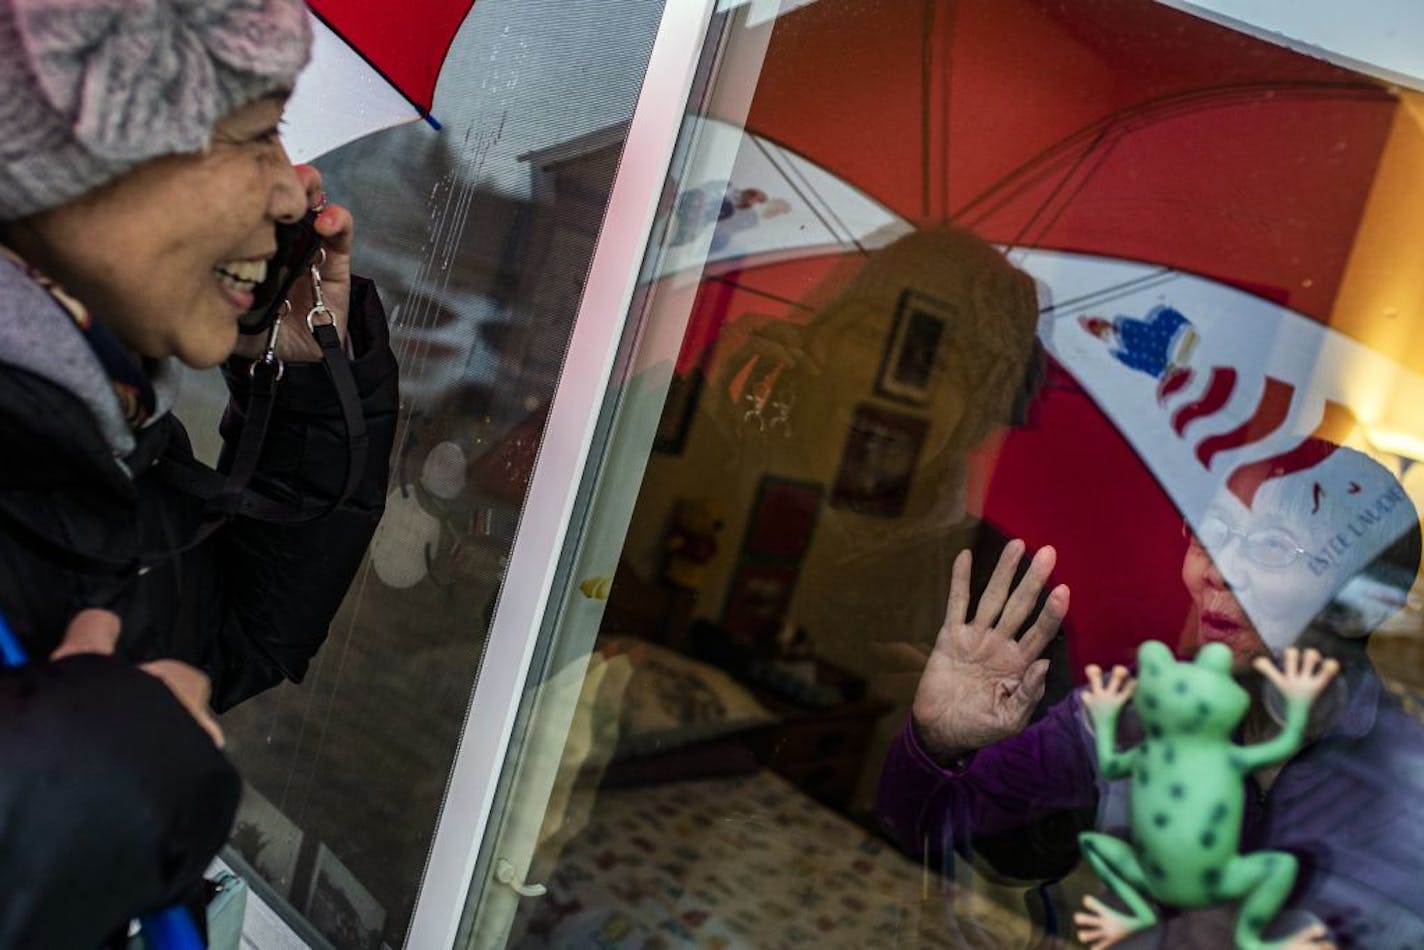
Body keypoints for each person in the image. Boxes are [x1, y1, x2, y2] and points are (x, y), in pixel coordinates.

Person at [0, 0, 398, 944]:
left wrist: (302, 380)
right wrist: (65, 815)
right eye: (259, 134)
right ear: (71, 145)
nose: (294, 196)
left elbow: (243, 638)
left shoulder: (100, 430)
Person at [878, 443, 1424, 948]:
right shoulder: (1134, 709)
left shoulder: (1404, 785)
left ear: (1363, 605)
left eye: (1274, 547)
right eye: (1211, 534)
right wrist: (935, 740)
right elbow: (923, 834)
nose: (1214, 571)